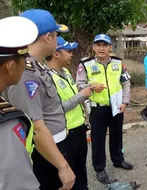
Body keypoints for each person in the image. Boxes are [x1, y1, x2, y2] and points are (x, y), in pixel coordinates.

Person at [3, 9, 75, 190]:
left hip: (55, 144)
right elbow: (36, 127)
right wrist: (62, 166)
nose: (57, 39)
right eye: (56, 34)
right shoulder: (25, 73)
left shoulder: (38, 66)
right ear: (47, 37)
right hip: (45, 151)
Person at [76, 33, 133, 184]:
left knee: (117, 135)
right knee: (98, 139)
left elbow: (126, 83)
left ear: (110, 47)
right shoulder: (85, 64)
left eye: (104, 45)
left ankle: (118, 160)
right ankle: (99, 168)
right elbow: (79, 85)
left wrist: (125, 102)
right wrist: (91, 86)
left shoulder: (118, 63)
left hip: (116, 106)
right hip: (97, 108)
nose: (101, 48)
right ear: (94, 47)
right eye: (98, 45)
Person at [45, 36, 92, 189]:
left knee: (80, 170)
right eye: (68, 51)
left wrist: (88, 88)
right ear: (56, 54)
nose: (72, 55)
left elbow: (74, 94)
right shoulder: (47, 78)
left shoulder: (65, 71)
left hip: (79, 128)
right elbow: (57, 109)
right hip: (65, 134)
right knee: (68, 174)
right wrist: (81, 96)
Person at [0, 16, 40, 190]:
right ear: (9, 66)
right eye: (24, 59)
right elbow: (17, 184)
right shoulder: (7, 123)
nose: (26, 65)